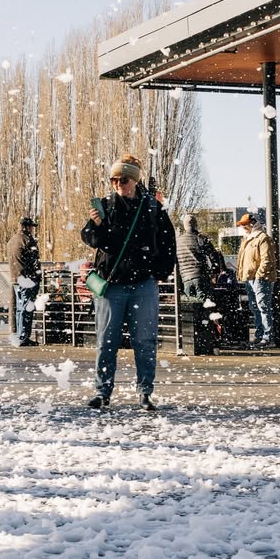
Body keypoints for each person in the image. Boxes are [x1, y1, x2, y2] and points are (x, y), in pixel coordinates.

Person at [81, 153, 176, 411]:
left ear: (134, 180)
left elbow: (168, 242)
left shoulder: (152, 208)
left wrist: (160, 273)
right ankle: (102, 391)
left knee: (144, 340)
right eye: (113, 180)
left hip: (143, 283)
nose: (118, 184)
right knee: (106, 340)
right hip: (111, 284)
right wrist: (97, 225)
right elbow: (90, 238)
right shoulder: (105, 206)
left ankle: (145, 392)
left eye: (123, 179)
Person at [235, 213, 278, 347]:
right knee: (256, 307)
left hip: (259, 279)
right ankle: (262, 335)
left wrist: (259, 275)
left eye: (245, 225)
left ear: (251, 224)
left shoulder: (262, 238)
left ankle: (266, 336)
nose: (243, 228)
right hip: (251, 278)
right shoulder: (249, 238)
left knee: (262, 307)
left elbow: (267, 260)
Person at [6, 216, 41, 346]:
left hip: (15, 278)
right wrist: (37, 276)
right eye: (31, 227)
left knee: (20, 308)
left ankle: (19, 335)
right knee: (27, 308)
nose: (32, 229)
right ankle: (23, 337)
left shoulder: (11, 241)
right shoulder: (28, 240)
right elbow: (34, 261)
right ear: (26, 227)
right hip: (26, 279)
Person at [176, 213, 220, 299]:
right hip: (201, 277)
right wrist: (214, 272)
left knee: (191, 306)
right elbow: (214, 256)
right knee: (205, 305)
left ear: (185, 226)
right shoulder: (200, 238)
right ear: (195, 225)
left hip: (185, 279)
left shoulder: (178, 241)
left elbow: (175, 261)